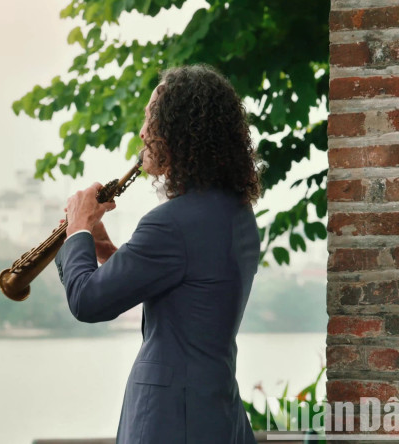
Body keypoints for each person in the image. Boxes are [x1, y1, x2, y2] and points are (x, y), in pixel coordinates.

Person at [54, 64, 261, 444]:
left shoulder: (171, 225)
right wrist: (101, 247)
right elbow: (187, 286)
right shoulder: (235, 213)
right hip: (217, 414)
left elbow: (87, 302)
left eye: (152, 119)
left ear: (179, 132)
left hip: (170, 421)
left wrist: (78, 229)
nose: (143, 132)